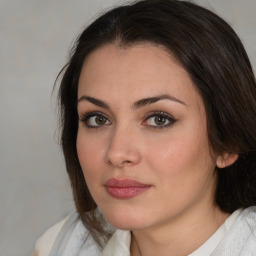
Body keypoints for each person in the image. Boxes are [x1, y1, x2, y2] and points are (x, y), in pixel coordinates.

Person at [35, 0, 256, 255]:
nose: (117, 153)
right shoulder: (66, 243)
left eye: (159, 119)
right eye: (97, 119)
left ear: (228, 142)